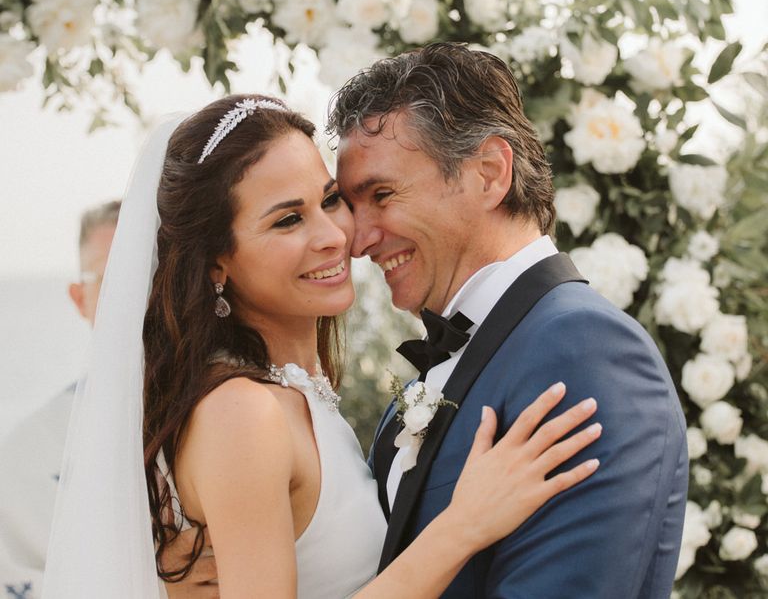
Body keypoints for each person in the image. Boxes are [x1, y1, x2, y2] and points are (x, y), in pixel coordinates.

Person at [42, 96, 601, 598]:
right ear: (217, 262)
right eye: (288, 220)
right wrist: (464, 526)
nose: (334, 235)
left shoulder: (295, 394)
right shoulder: (243, 413)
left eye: (329, 200)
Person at [326, 42, 689, 598]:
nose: (357, 240)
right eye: (353, 206)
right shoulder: (427, 383)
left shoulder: (586, 351)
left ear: (491, 172)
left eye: (382, 194)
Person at [0, 201, 119, 598]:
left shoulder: (238, 412)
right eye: (112, 276)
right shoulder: (28, 451)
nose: (136, 295)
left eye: (153, 272)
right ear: (78, 297)